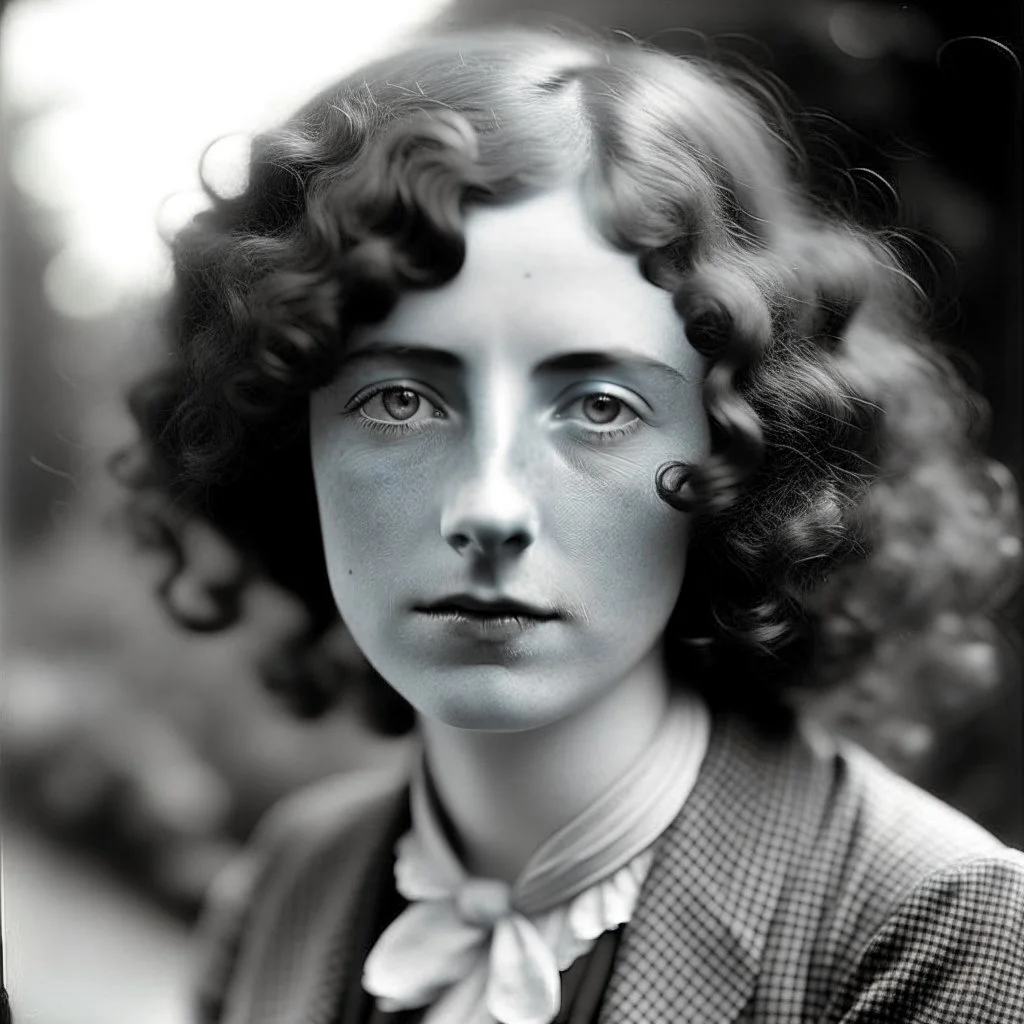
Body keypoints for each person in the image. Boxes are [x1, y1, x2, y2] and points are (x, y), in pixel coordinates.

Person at [115, 23, 1024, 1024]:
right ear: (296, 445)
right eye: (403, 400)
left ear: (741, 453)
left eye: (599, 405)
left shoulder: (935, 929)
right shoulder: (289, 881)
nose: (489, 508)